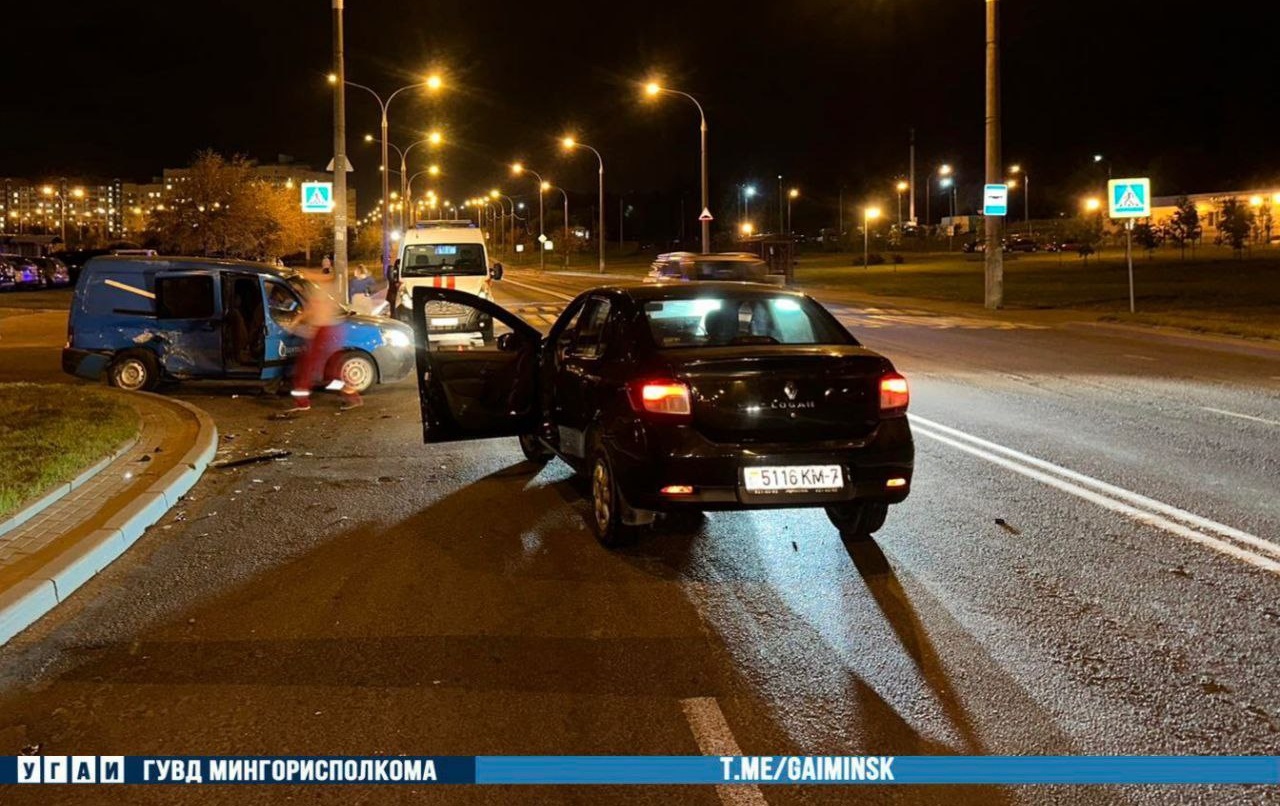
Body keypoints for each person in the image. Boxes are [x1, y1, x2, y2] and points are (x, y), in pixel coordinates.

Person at [285, 280, 362, 413]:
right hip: (330, 333)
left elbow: (311, 312)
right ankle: (352, 396)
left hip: (323, 333)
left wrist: (295, 323)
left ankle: (302, 402)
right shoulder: (324, 292)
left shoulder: (318, 293)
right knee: (330, 373)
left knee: (306, 369)